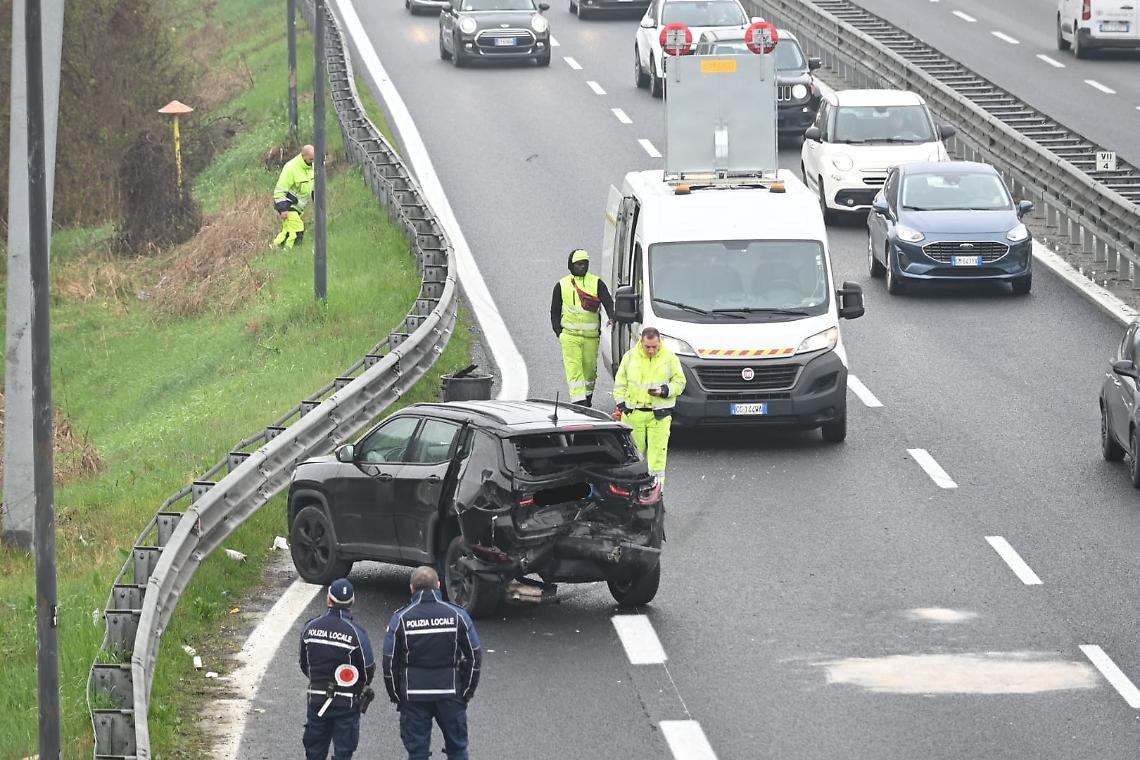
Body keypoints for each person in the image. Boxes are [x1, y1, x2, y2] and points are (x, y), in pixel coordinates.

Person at [383, 566, 482, 760]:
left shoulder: (400, 619)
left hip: (413, 694)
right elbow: (474, 656)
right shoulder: (458, 615)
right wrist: (467, 690)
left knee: (417, 752)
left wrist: (396, 695)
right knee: (458, 749)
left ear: (412, 588)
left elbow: (389, 661)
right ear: (438, 585)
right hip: (450, 692)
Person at [299, 578, 375, 760]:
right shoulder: (357, 634)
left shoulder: (310, 628)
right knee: (344, 752)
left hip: (317, 700)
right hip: (347, 703)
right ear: (352, 601)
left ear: (328, 599)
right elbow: (367, 671)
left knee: (314, 752)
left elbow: (304, 664)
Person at [613, 326, 686, 485]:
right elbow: (620, 385)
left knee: (657, 461)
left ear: (659, 342)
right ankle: (633, 494)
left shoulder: (669, 358)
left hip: (659, 416)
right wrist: (622, 405)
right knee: (632, 458)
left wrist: (664, 390)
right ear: (641, 342)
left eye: (654, 346)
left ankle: (656, 494)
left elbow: (680, 383)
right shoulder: (630, 357)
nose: (651, 350)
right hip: (634, 415)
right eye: (648, 347)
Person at [550, 249, 615, 408]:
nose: (582, 267)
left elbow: (607, 301)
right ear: (571, 266)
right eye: (579, 264)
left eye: (585, 263)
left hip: (591, 337)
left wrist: (613, 316)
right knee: (574, 371)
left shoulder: (596, 282)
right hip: (570, 336)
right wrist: (559, 332)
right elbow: (555, 310)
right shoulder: (562, 285)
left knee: (590, 371)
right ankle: (578, 403)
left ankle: (587, 399)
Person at [273, 144, 315, 250]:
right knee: (297, 228)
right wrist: (283, 209)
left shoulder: (312, 167)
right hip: (287, 205)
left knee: (288, 229)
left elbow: (313, 187)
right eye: (311, 159)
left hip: (298, 207)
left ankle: (276, 247)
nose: (313, 161)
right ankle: (291, 250)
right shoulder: (291, 168)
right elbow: (279, 190)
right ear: (303, 156)